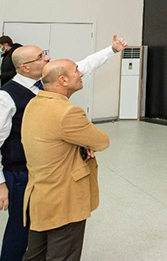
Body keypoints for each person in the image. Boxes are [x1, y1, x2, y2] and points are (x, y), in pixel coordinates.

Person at [0, 34, 128, 261]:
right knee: (21, 231)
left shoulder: (44, 87)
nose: (48, 58)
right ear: (25, 67)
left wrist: (112, 50)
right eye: (41, 57)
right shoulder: (4, 97)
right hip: (20, 173)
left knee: (39, 233)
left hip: (47, 172)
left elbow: (83, 66)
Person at [21, 59, 110, 261]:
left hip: (40, 196)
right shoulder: (68, 112)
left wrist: (79, 145)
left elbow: (52, 142)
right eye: (76, 70)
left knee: (35, 254)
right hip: (64, 199)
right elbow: (102, 141)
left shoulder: (34, 104)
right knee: (63, 255)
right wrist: (85, 144)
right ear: (63, 80)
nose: (81, 73)